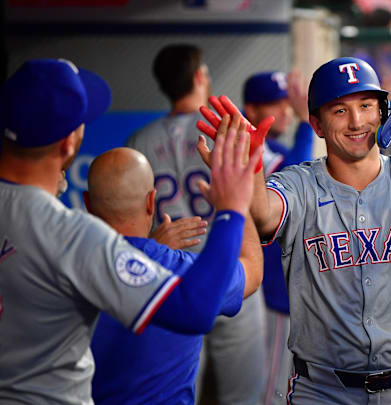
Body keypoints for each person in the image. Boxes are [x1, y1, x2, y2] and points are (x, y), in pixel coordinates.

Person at [197, 57, 391, 404]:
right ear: (317, 124)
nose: (356, 122)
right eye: (339, 111)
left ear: (382, 112)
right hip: (321, 391)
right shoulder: (299, 184)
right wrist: (250, 170)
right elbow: (263, 215)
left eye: (366, 105)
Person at [0, 58, 260, 404]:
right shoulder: (73, 237)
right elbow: (194, 308)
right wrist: (232, 208)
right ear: (68, 143)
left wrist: (139, 253)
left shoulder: (70, 235)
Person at [125, 44, 268, 405]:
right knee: (244, 396)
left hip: (170, 278)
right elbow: (259, 201)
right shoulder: (224, 129)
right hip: (232, 269)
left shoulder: (139, 142)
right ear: (199, 76)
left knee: (176, 390)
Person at [85, 147, 263, 404]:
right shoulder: (185, 273)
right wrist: (236, 205)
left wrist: (147, 250)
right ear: (151, 201)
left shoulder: (65, 266)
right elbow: (253, 271)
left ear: (87, 204)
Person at [242, 70, 315, 405]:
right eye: (275, 104)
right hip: (263, 287)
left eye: (287, 104)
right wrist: (304, 122)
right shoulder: (249, 146)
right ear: (251, 110)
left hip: (269, 282)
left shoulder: (267, 146)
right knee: (272, 385)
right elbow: (293, 175)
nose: (285, 110)